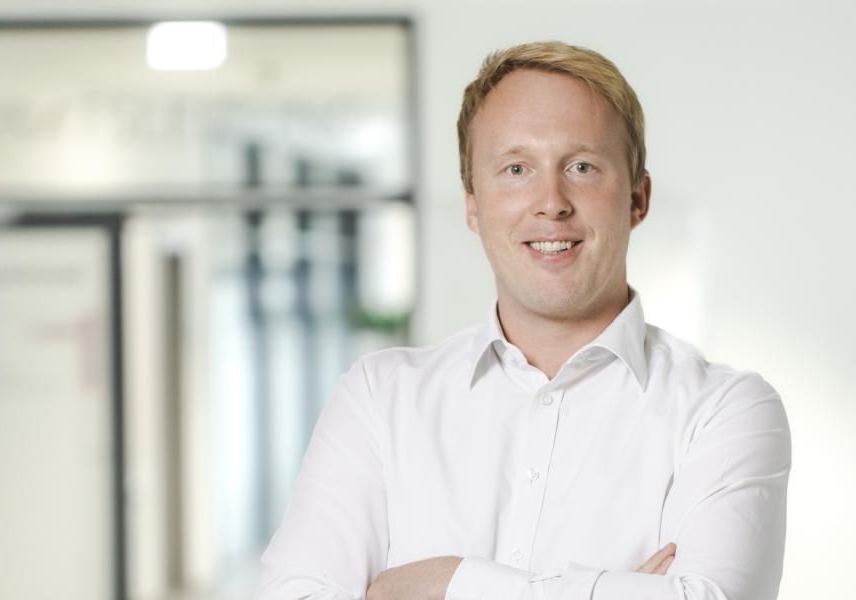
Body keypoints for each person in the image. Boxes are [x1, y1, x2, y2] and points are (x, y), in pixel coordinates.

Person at [255, 41, 791, 600]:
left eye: (582, 167)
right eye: (516, 169)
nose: (551, 202)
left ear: (638, 197)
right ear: (473, 205)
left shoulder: (724, 412)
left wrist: (447, 582)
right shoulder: (378, 398)